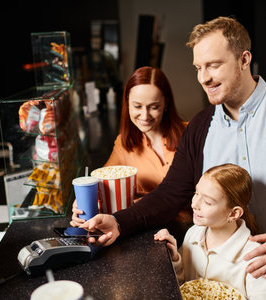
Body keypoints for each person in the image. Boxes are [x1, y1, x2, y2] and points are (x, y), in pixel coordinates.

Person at [79, 16, 266, 300]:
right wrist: (119, 222)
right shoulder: (201, 128)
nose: (204, 77)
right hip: (228, 288)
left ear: (244, 59)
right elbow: (171, 194)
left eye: (214, 65)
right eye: (199, 68)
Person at [70, 66, 190, 229]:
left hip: (189, 228)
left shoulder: (190, 134)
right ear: (127, 104)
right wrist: (82, 202)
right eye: (137, 106)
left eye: (153, 107)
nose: (145, 115)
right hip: (147, 227)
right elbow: (102, 184)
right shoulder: (124, 144)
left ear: (166, 103)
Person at [154, 163, 266, 299]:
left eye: (207, 202)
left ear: (234, 214)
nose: (194, 204)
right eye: (196, 193)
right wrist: (174, 258)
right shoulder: (193, 234)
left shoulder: (256, 260)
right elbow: (183, 286)